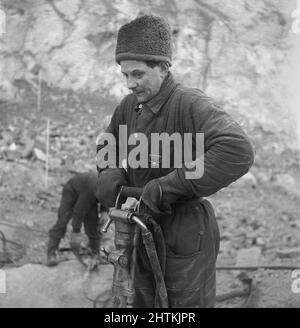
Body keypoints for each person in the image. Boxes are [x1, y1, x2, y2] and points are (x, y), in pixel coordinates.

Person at [96, 15, 255, 307]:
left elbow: (237, 149)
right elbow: (106, 147)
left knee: (181, 308)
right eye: (125, 75)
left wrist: (169, 186)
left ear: (163, 67)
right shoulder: (129, 107)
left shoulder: (189, 103)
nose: (130, 83)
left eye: (138, 74)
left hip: (186, 234)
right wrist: (110, 172)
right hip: (141, 226)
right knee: (141, 302)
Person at [47, 172, 101, 267]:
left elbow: (106, 199)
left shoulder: (109, 188)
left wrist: (105, 211)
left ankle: (95, 254)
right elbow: (78, 210)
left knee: (93, 224)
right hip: (72, 190)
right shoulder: (92, 189)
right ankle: (52, 253)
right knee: (62, 220)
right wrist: (76, 231)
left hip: (91, 195)